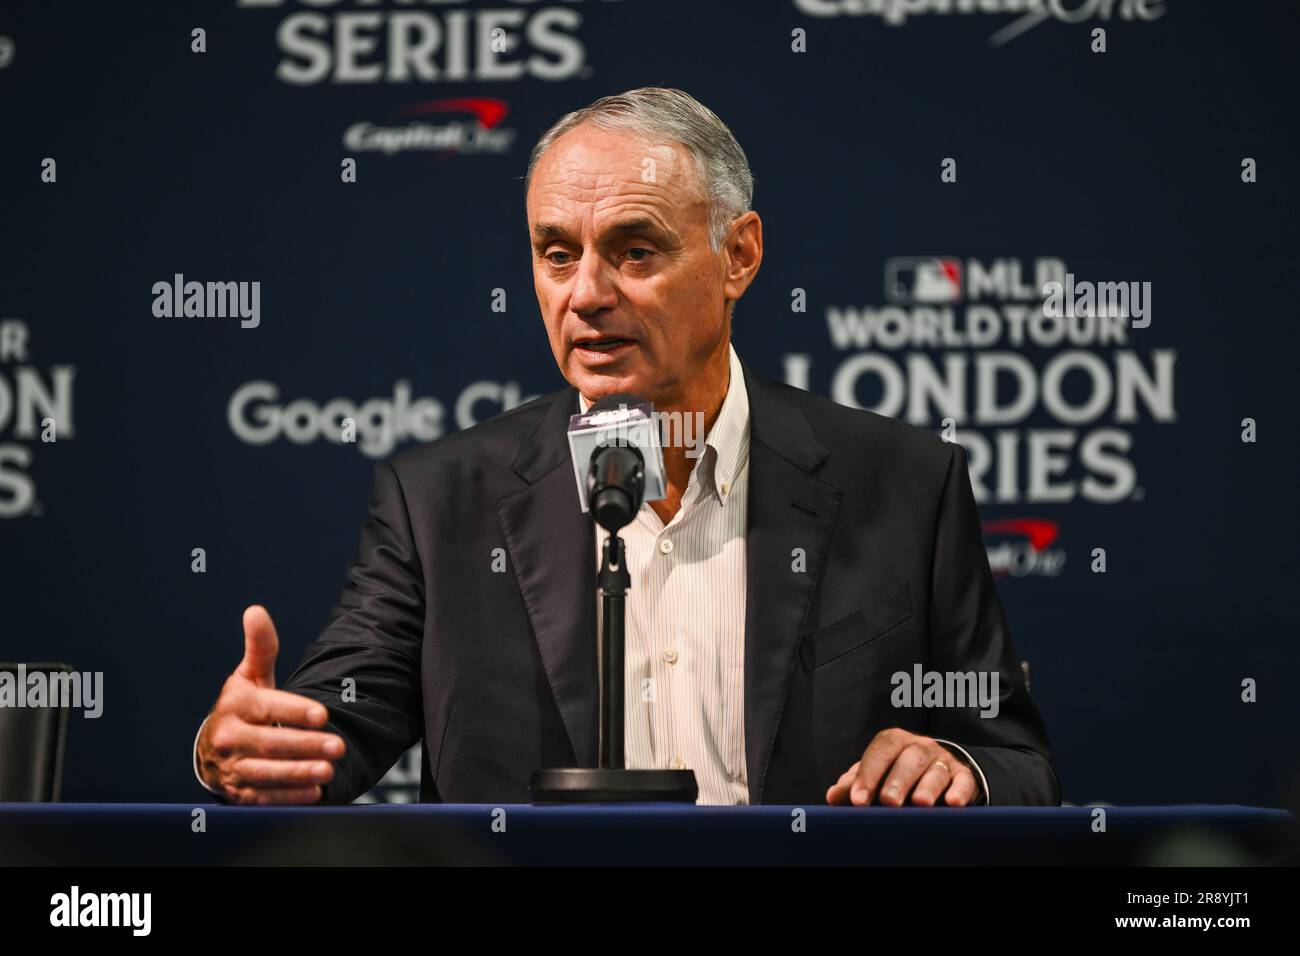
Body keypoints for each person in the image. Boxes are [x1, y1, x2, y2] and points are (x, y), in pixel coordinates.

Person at [194, 87, 1059, 808]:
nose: (587, 294)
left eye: (635, 251)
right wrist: (254, 745)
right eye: (556, 254)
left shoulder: (905, 484)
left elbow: (1018, 763)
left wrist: (961, 770)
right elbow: (336, 720)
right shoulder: (439, 501)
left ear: (739, 256)